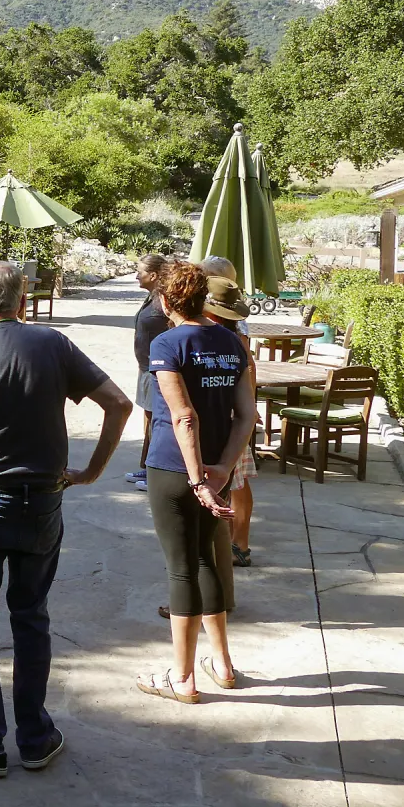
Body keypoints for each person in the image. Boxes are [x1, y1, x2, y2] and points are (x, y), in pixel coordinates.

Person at [0, 260, 131, 777]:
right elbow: (119, 404)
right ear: (23, 299)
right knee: (31, 617)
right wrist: (90, 472)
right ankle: (35, 738)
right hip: (41, 504)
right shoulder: (53, 345)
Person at [138, 263, 256, 704]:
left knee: (182, 567)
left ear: (167, 302)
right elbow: (247, 414)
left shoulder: (166, 343)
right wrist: (222, 468)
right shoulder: (232, 342)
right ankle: (223, 666)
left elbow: (184, 415)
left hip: (174, 469)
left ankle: (182, 678)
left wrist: (197, 480)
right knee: (208, 559)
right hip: (218, 468)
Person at [201, 272, 259, 568]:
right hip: (239, 418)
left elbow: (247, 370)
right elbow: (250, 371)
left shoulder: (226, 337)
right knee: (238, 483)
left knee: (231, 484)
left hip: (229, 421)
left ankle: (233, 546)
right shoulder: (235, 333)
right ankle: (240, 544)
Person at [129, 253, 170, 491]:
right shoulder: (152, 298)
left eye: (140, 271)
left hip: (156, 370)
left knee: (157, 420)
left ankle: (154, 472)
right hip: (146, 368)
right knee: (149, 418)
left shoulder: (163, 301)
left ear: (153, 275)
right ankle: (146, 466)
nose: (136, 275)